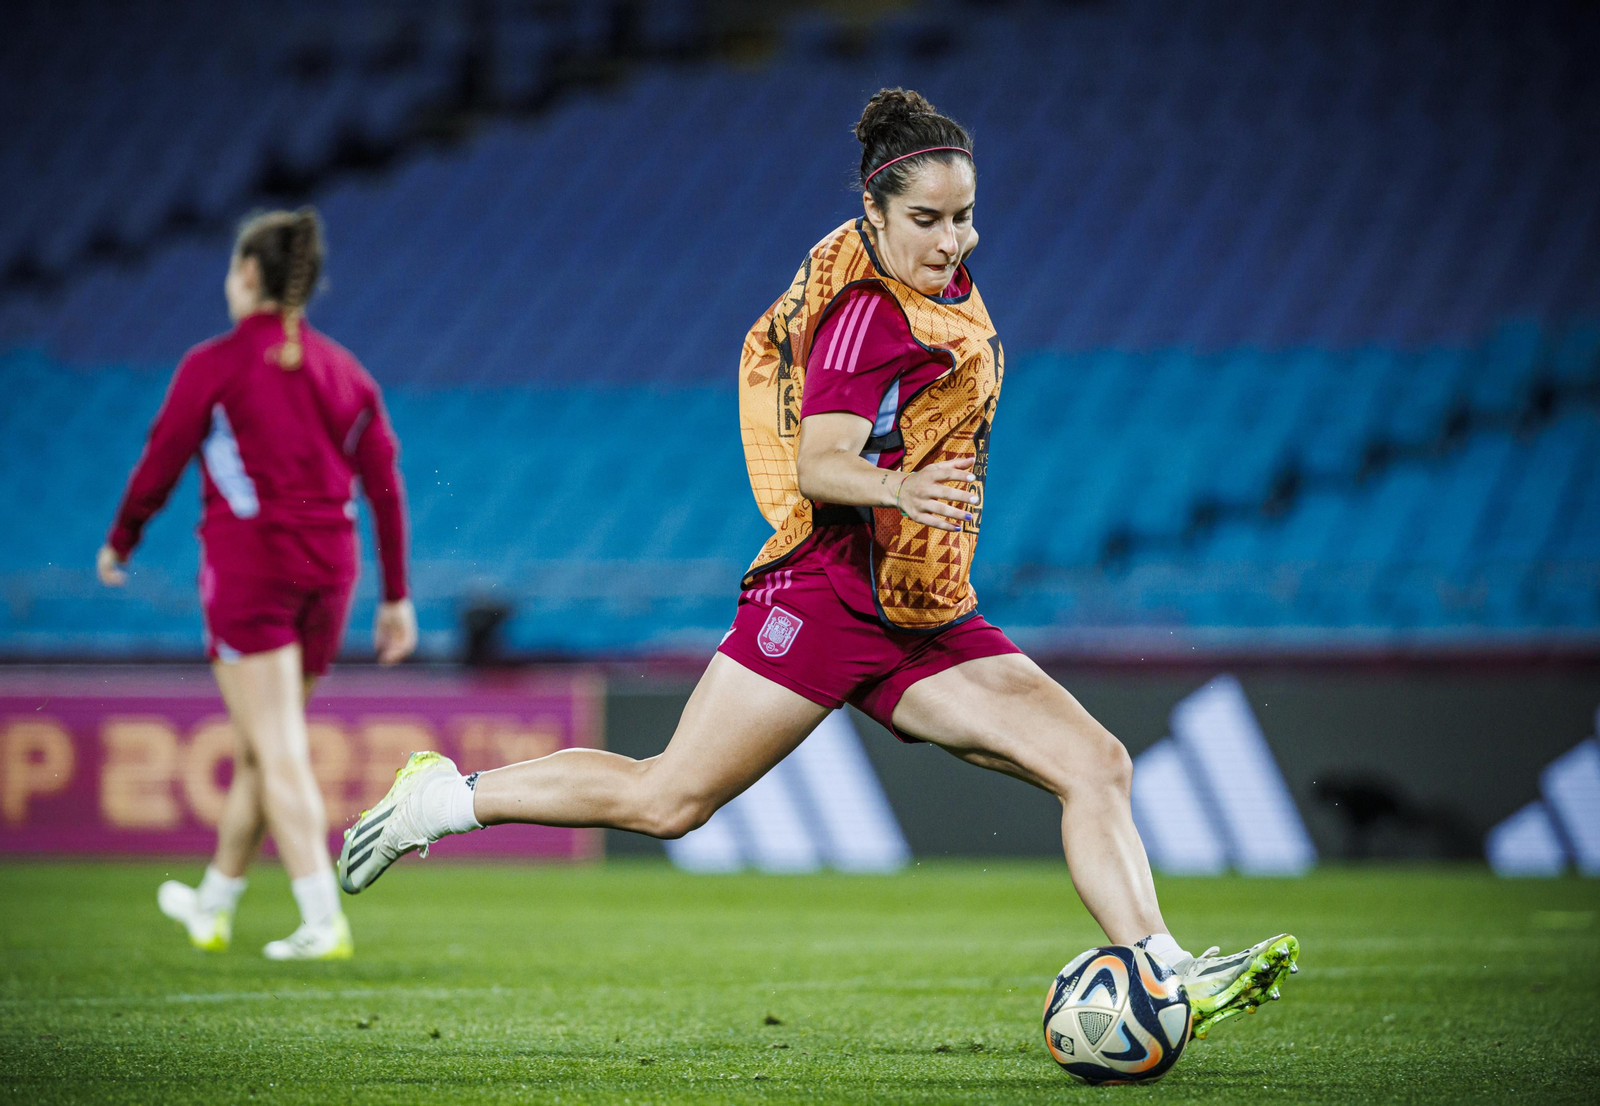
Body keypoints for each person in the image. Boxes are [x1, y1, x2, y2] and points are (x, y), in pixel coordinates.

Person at [337, 90, 1296, 1038]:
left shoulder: (925, 279)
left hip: (924, 607)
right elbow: (821, 462)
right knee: (667, 798)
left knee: (1096, 764)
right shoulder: (869, 320)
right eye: (925, 220)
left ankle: (1165, 974)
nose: (951, 240)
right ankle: (442, 799)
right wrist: (898, 491)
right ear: (872, 216)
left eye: (964, 216)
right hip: (828, 594)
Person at [99, 207, 417, 961]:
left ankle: (320, 918)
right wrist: (396, 594)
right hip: (329, 572)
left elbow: (161, 459)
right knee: (261, 745)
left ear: (248, 274)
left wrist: (122, 539)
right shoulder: (345, 371)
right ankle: (213, 903)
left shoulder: (213, 364)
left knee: (275, 747)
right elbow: (385, 484)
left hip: (253, 568)